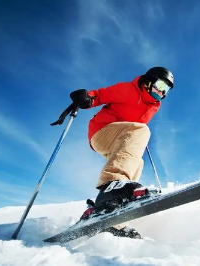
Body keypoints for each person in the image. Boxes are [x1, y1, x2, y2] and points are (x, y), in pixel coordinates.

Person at [69, 67, 174, 238]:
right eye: (161, 85)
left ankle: (111, 215)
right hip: (102, 131)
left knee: (137, 162)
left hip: (120, 138)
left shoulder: (154, 106)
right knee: (142, 130)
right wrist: (88, 98)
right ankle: (112, 186)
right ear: (149, 81)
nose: (162, 92)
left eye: (166, 90)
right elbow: (101, 95)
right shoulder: (129, 89)